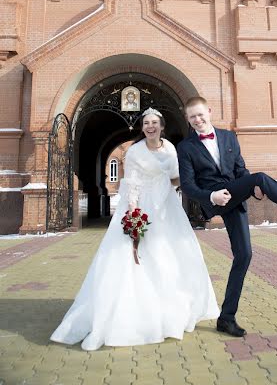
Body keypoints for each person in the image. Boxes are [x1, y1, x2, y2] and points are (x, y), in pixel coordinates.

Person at [50, 108, 219, 350]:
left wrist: (181, 179)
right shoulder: (135, 151)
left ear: (161, 126)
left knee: (172, 255)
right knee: (141, 257)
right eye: (146, 123)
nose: (150, 126)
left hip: (167, 207)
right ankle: (138, 313)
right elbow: (131, 183)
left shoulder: (171, 148)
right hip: (143, 207)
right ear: (143, 128)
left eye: (154, 123)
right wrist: (133, 215)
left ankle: (171, 311)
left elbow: (175, 177)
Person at [177, 96, 277, 338]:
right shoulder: (186, 147)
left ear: (209, 112)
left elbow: (240, 170)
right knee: (262, 177)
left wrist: (251, 187)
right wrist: (211, 197)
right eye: (192, 117)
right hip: (216, 200)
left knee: (244, 255)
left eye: (200, 114)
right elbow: (188, 186)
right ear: (188, 120)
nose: (197, 120)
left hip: (235, 197)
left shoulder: (229, 137)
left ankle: (227, 318)